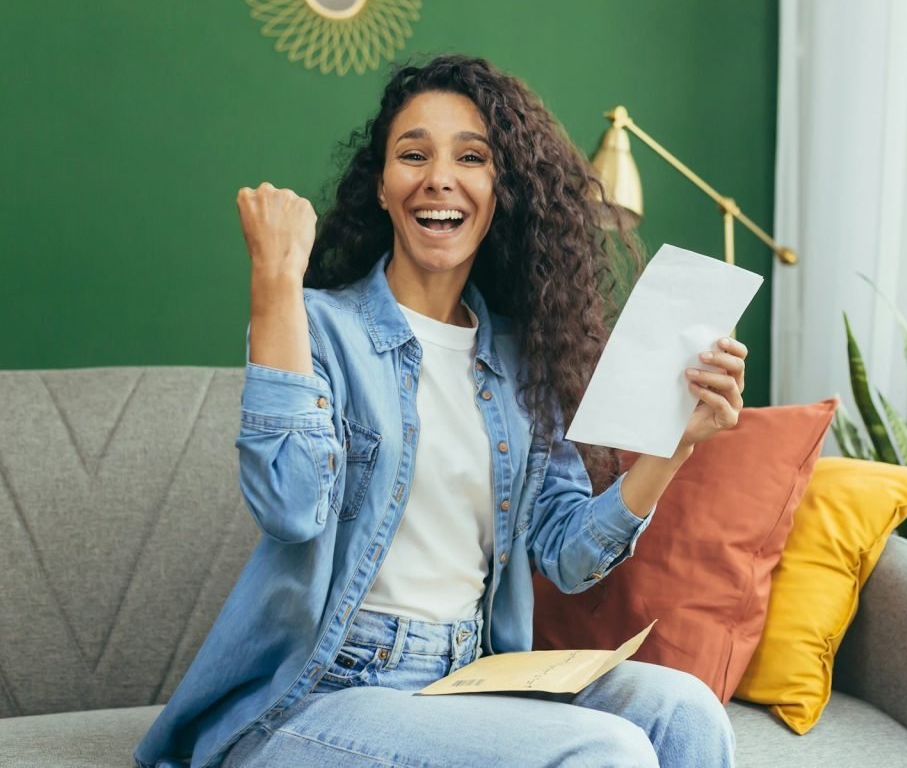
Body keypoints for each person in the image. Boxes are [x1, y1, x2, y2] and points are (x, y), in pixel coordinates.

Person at [134, 54, 745, 767]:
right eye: (413, 154)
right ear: (382, 186)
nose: (439, 177)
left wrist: (675, 444)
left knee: (685, 711)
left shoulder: (521, 355)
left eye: (471, 157)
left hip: (468, 676)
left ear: (500, 190)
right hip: (324, 691)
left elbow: (569, 557)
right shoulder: (317, 327)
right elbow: (291, 507)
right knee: (606, 751)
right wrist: (275, 276)